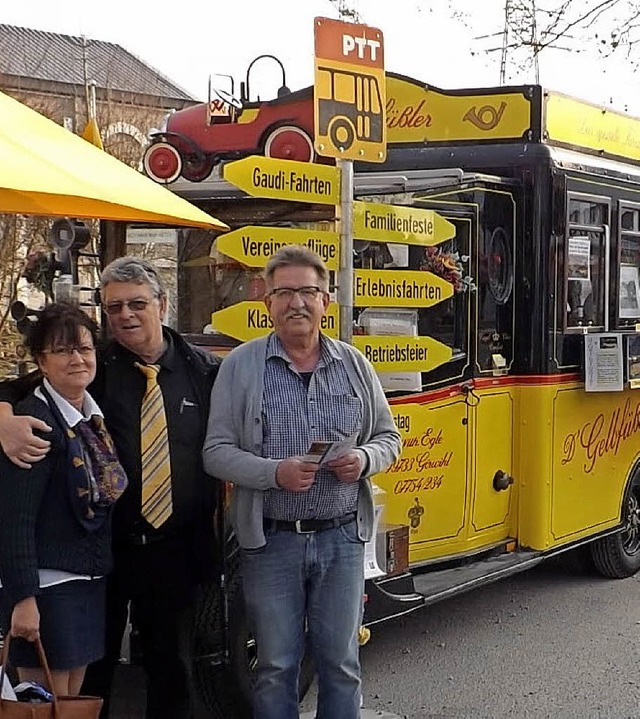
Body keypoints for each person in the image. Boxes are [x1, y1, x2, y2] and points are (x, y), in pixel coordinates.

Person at [0, 257, 221, 719]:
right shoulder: (92, 365)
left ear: (162, 304)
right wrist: (2, 419)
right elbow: (14, 390)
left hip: (177, 549)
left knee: (172, 668)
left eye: (137, 303)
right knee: (91, 673)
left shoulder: (204, 371)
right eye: (114, 306)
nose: (125, 315)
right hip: (108, 549)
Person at [202, 246, 401, 719]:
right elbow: (215, 454)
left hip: (341, 539)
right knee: (275, 667)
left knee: (341, 664)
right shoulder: (242, 367)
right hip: (271, 542)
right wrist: (275, 473)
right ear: (267, 303)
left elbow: (389, 438)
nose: (297, 303)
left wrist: (364, 458)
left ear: (326, 300)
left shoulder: (355, 366)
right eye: (285, 292)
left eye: (308, 291)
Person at [0, 302, 128, 697]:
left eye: (85, 349)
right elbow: (14, 518)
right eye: (63, 350)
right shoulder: (32, 421)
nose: (77, 359)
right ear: (41, 360)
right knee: (44, 705)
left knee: (73, 704)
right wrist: (22, 598)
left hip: (88, 585)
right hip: (46, 591)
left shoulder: (92, 419)